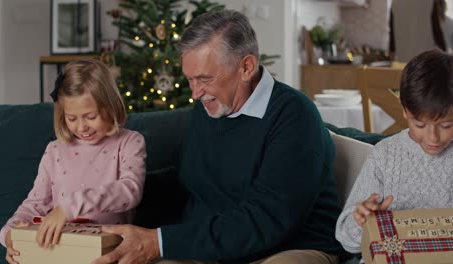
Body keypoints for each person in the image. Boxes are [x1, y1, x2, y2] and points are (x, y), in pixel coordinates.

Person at [93, 9, 343, 264]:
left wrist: (160, 242)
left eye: (204, 79)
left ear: (246, 67)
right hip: (220, 245)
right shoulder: (210, 108)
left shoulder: (294, 116)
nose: (195, 93)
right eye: (190, 79)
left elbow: (267, 220)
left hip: (289, 246)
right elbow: (186, 183)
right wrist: (120, 188)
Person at [0, 59, 147, 264]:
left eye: (90, 116)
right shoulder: (54, 151)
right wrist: (10, 236)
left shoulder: (130, 142)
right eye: (71, 118)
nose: (81, 127)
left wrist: (69, 207)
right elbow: (34, 204)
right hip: (59, 252)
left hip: (109, 254)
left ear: (110, 105)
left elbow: (130, 190)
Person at [335, 49, 453, 254]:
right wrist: (362, 220)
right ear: (405, 110)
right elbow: (348, 242)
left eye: (446, 126)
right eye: (420, 124)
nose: (433, 137)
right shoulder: (385, 155)